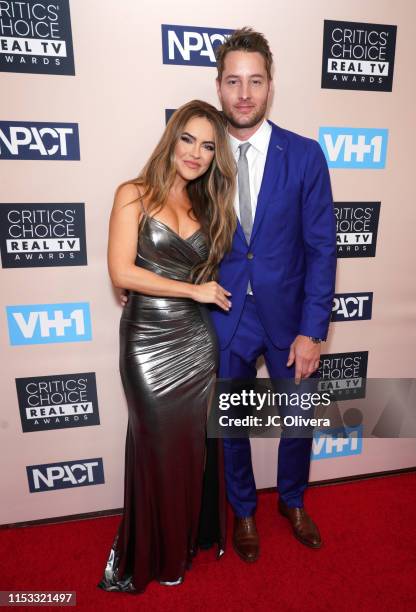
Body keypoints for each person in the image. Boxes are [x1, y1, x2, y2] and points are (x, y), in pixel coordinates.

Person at [209, 28, 337, 562]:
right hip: (227, 313)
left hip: (290, 318)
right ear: (218, 87)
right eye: (234, 81)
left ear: (270, 86)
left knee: (300, 419)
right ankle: (242, 510)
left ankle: (292, 501)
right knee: (233, 426)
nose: (244, 93)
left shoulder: (305, 156)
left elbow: (322, 247)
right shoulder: (201, 155)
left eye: (255, 81)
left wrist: (313, 330)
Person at [98, 99, 237, 592]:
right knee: (156, 447)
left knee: (189, 451)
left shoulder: (208, 206)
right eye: (188, 139)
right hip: (147, 342)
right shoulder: (132, 193)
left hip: (196, 345)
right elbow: (121, 272)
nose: (196, 153)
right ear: (171, 138)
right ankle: (152, 549)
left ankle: (182, 542)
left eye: (208, 146)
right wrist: (192, 290)